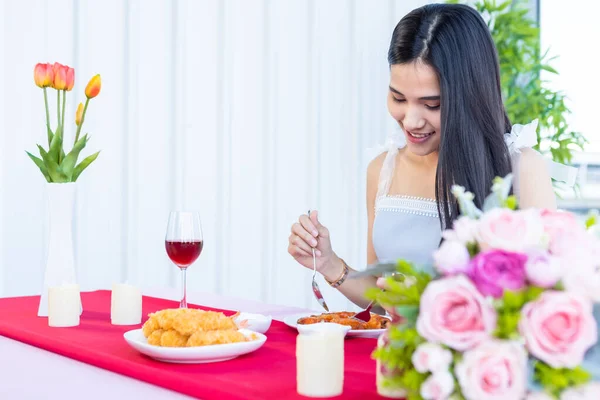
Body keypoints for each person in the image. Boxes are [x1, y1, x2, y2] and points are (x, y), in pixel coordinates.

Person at [287, 3, 578, 310]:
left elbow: (548, 298)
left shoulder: (520, 168)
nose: (411, 120)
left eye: (432, 105)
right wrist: (331, 263)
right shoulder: (383, 169)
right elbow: (382, 296)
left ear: (471, 96)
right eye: (398, 98)